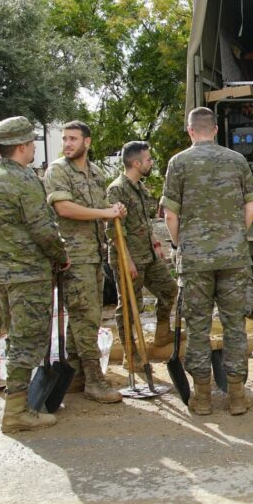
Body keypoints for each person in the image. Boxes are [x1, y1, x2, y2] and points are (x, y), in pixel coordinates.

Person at [0, 116, 69, 432]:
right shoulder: (24, 180)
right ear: (21, 146)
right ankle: (16, 412)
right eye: (31, 144)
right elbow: (42, 229)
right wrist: (61, 255)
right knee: (27, 342)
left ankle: (19, 405)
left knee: (16, 336)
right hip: (28, 274)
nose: (33, 150)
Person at [163, 108, 253, 416]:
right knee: (234, 325)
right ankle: (237, 397)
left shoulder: (178, 163)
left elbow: (170, 215)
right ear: (215, 129)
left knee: (198, 326)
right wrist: (234, 237)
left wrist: (181, 245)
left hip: (194, 260)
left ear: (190, 131)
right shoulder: (237, 160)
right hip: (233, 257)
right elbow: (252, 209)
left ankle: (202, 398)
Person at [44, 120, 126, 404]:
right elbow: (64, 208)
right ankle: (94, 380)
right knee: (85, 317)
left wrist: (113, 211)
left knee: (82, 315)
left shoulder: (95, 173)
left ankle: (76, 374)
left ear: (87, 142)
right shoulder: (57, 170)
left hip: (94, 254)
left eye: (73, 139)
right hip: (73, 256)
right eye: (65, 139)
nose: (67, 144)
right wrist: (104, 213)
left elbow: (99, 209)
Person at [106, 142, 177, 369]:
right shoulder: (117, 189)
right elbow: (113, 230)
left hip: (148, 255)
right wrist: (126, 260)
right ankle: (131, 353)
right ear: (136, 163)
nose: (151, 163)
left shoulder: (139, 187)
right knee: (128, 305)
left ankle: (162, 333)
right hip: (129, 257)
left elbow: (144, 222)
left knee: (169, 289)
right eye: (148, 159)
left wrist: (156, 245)